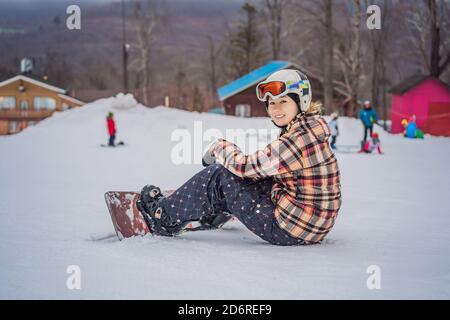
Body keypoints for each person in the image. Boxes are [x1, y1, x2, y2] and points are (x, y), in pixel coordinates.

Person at [136, 69, 342, 245]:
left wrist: (219, 147)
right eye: (271, 103)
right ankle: (216, 209)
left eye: (283, 101)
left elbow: (246, 166)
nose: (276, 109)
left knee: (220, 174)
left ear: (301, 101)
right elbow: (262, 170)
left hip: (289, 229)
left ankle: (163, 216)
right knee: (257, 177)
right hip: (310, 224)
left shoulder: (300, 138)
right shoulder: (308, 129)